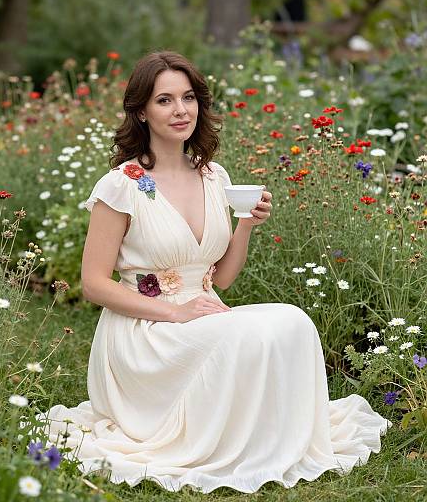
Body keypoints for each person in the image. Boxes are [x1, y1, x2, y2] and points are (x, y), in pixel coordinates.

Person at [37, 51, 391, 494]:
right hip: (146, 330)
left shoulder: (212, 175)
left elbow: (221, 280)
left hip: (204, 311)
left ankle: (271, 440)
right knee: (242, 334)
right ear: (141, 111)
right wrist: (176, 313)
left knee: (294, 321)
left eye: (188, 97)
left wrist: (245, 224)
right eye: (164, 100)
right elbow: (93, 283)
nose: (180, 110)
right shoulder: (121, 184)